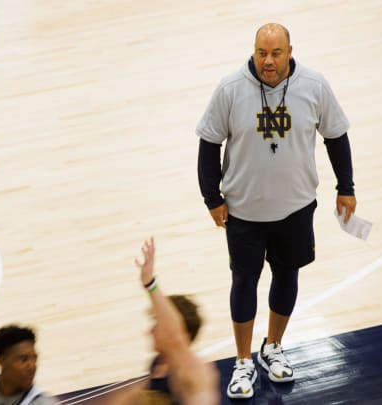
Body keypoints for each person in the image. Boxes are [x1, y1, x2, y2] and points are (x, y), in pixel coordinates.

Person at [195, 23, 357, 399]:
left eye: (275, 53)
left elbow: (336, 135)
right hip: (244, 213)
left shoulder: (314, 85)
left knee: (287, 277)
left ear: (289, 51)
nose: (267, 61)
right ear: (253, 51)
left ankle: (273, 347)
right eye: (261, 53)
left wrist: (345, 188)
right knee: (244, 282)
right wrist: (212, 198)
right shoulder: (230, 89)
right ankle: (242, 361)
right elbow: (208, 144)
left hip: (296, 208)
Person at [130, 237, 220, 405]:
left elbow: (174, 337)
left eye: (158, 325)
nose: (151, 331)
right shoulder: (160, 364)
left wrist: (150, 284)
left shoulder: (195, 374)